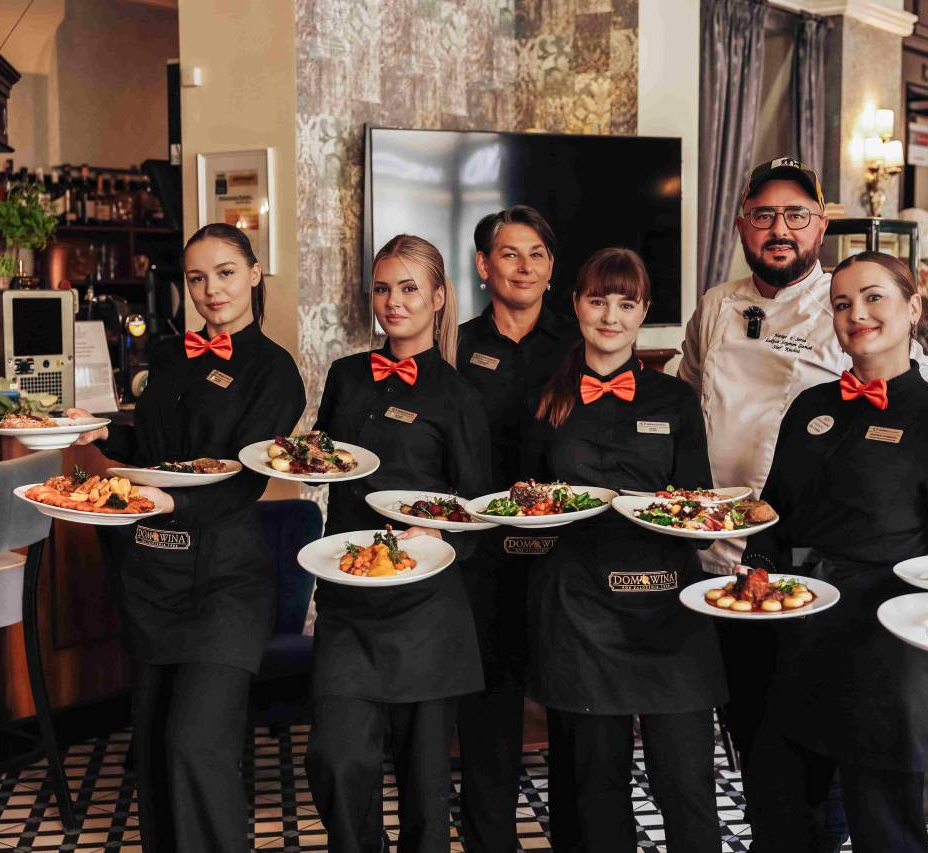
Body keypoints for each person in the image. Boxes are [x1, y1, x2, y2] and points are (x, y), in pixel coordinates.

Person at [676, 158, 928, 848]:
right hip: (723, 562)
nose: (780, 229)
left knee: (816, 752)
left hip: (811, 574)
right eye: (764, 214)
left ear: (820, 226)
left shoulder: (847, 302)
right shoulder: (715, 306)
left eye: (796, 215)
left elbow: (923, 399)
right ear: (741, 223)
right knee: (757, 746)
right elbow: (687, 400)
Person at [741, 252, 928, 852]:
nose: (856, 313)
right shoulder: (809, 407)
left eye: (874, 297)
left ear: (913, 308)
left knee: (885, 827)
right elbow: (773, 514)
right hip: (794, 633)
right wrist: (754, 579)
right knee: (785, 818)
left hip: (883, 647)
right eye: (842, 303)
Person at [69, 223, 306, 852]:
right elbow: (152, 448)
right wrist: (104, 432)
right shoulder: (171, 354)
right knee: (153, 751)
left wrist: (170, 500)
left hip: (226, 583)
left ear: (254, 274)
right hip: (151, 577)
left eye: (225, 273)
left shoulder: (275, 371)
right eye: (197, 278)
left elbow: (245, 481)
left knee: (196, 744)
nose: (211, 290)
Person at [523, 248, 727, 853]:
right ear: (576, 305)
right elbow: (523, 499)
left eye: (626, 303)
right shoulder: (545, 399)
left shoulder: (675, 400)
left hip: (671, 608)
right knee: (595, 787)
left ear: (644, 312)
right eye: (597, 300)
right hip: (579, 607)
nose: (610, 316)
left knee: (687, 782)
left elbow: (698, 501)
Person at [304, 234, 492, 852]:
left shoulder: (460, 396)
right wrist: (303, 458)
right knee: (335, 763)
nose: (393, 302)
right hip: (348, 601)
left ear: (438, 298)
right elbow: (323, 460)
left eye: (409, 288)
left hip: (426, 610)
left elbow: (477, 505)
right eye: (383, 288)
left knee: (425, 796)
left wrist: (439, 530)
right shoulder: (345, 376)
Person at [455, 205, 580, 852]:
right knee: (488, 723)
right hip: (483, 556)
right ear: (484, 265)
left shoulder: (581, 343)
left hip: (565, 556)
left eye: (537, 254)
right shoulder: (454, 345)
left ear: (552, 268)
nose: (524, 267)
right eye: (509, 253)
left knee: (576, 723)